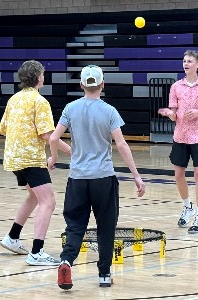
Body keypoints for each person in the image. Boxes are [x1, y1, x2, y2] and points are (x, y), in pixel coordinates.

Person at [48, 65, 145, 290]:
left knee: (75, 226)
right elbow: (121, 144)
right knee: (106, 226)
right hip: (103, 178)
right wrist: (136, 176)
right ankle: (103, 274)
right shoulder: (110, 111)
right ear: (103, 85)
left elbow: (53, 139)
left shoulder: (71, 108)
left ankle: (66, 261)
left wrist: (53, 159)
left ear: (82, 85)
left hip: (78, 178)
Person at [0, 60, 71, 266]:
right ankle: (37, 252)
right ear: (39, 77)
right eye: (43, 74)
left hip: (13, 158)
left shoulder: (14, 99)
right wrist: (71, 151)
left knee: (33, 196)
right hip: (31, 159)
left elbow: (2, 128)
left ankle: (12, 238)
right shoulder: (40, 102)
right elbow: (49, 135)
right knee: (48, 201)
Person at [158, 50, 198, 234]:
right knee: (178, 175)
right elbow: (174, 113)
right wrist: (170, 114)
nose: (186, 64)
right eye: (184, 61)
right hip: (180, 136)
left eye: (190, 61)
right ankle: (187, 206)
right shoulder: (176, 86)